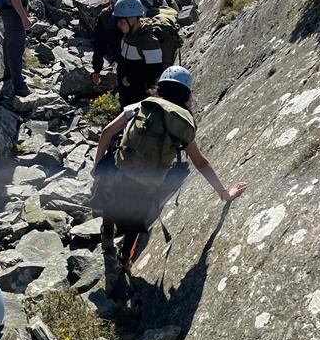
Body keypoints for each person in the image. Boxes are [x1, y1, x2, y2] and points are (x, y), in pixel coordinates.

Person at [91, 66, 247, 295]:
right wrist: (225, 193)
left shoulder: (142, 106)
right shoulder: (183, 123)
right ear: (187, 94)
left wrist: (97, 166)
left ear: (160, 86)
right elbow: (200, 162)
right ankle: (125, 261)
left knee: (112, 199)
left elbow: (107, 131)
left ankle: (107, 231)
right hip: (147, 183)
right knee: (135, 222)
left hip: (118, 170)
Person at [112, 0, 163, 108]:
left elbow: (154, 73)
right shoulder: (127, 35)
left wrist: (131, 78)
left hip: (140, 99)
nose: (118, 25)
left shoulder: (148, 42)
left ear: (133, 19)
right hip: (127, 95)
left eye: (121, 22)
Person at [92, 0, 131, 88]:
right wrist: (97, 70)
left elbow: (99, 45)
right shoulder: (136, 13)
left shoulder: (106, 17)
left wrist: (97, 70)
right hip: (137, 64)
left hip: (125, 64)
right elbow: (99, 45)